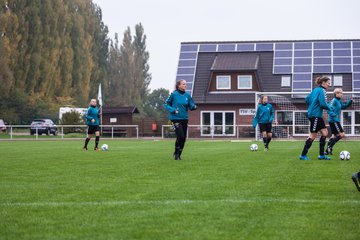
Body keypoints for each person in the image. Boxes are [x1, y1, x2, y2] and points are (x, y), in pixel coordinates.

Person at [299, 76, 333, 160]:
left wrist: (312, 105)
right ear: (323, 83)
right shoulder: (323, 91)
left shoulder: (315, 90)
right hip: (315, 115)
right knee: (313, 135)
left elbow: (307, 99)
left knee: (325, 132)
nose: (329, 85)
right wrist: (330, 109)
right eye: (328, 83)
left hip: (315, 114)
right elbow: (322, 104)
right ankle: (303, 155)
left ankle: (321, 155)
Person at [164, 79, 197, 160]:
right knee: (180, 136)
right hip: (175, 119)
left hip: (184, 118)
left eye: (186, 84)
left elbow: (191, 105)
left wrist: (194, 107)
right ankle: (176, 153)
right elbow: (166, 104)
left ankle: (178, 154)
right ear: (179, 85)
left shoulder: (187, 95)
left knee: (184, 138)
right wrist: (173, 110)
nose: (185, 85)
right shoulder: (173, 94)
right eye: (183, 84)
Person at [325, 88, 352, 155]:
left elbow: (343, 106)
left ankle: (328, 150)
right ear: (336, 94)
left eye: (342, 93)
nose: (341, 94)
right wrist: (334, 115)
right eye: (340, 93)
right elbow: (328, 109)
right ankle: (329, 147)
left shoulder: (338, 101)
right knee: (342, 135)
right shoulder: (334, 100)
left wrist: (349, 102)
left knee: (333, 136)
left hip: (335, 120)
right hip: (334, 120)